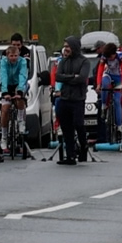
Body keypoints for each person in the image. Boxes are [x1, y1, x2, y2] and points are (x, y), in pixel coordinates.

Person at [52, 35, 92, 164]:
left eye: (67, 46)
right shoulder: (63, 61)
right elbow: (58, 77)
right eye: (64, 47)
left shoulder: (84, 61)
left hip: (78, 99)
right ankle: (70, 155)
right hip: (64, 98)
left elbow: (82, 78)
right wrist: (72, 77)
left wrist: (67, 78)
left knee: (78, 124)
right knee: (66, 128)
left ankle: (83, 146)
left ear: (74, 47)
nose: (65, 49)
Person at [94, 41, 122, 148]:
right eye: (107, 58)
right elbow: (100, 70)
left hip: (118, 78)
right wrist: (98, 84)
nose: (109, 59)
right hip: (108, 75)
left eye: (110, 57)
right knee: (105, 83)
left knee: (118, 102)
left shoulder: (121, 57)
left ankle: (119, 127)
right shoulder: (104, 57)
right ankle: (104, 106)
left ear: (114, 54)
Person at [0, 35, 32, 149]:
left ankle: (20, 120)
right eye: (11, 56)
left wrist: (19, 91)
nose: (14, 58)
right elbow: (3, 76)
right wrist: (4, 92)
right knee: (5, 109)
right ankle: (4, 137)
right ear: (7, 56)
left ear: (19, 55)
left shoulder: (22, 61)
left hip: (19, 83)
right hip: (8, 84)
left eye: (16, 56)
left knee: (20, 98)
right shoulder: (3, 62)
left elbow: (23, 75)